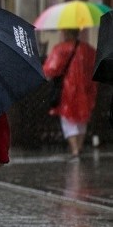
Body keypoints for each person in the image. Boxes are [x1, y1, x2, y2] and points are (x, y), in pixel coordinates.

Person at [42, 29, 98, 157]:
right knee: (82, 119)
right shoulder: (87, 49)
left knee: (68, 119)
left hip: (68, 90)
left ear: (66, 33)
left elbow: (51, 68)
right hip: (86, 89)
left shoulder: (61, 49)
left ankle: (75, 150)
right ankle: (79, 146)